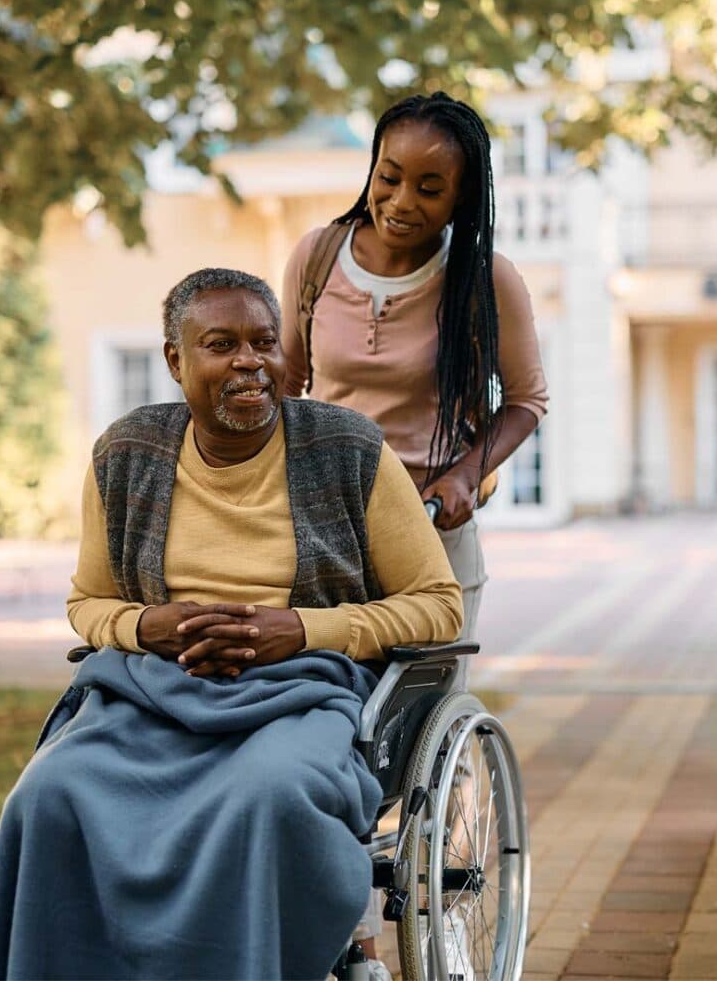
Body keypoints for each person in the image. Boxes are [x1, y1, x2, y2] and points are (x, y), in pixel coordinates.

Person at [0, 268, 462, 981]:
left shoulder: (348, 451)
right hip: (153, 694)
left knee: (265, 796)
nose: (249, 362)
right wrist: (152, 627)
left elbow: (438, 603)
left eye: (264, 342)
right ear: (176, 360)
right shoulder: (127, 454)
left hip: (299, 695)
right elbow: (87, 603)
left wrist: (299, 629)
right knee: (47, 796)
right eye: (221, 344)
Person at [279, 89, 549, 969]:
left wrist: (470, 469)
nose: (401, 201)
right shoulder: (318, 257)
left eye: (431, 189)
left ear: (462, 200)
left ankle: (349, 928)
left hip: (432, 534)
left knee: (383, 740)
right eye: (389, 175)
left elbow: (528, 402)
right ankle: (333, 923)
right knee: (309, 724)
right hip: (323, 530)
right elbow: (287, 383)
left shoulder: (486, 279)